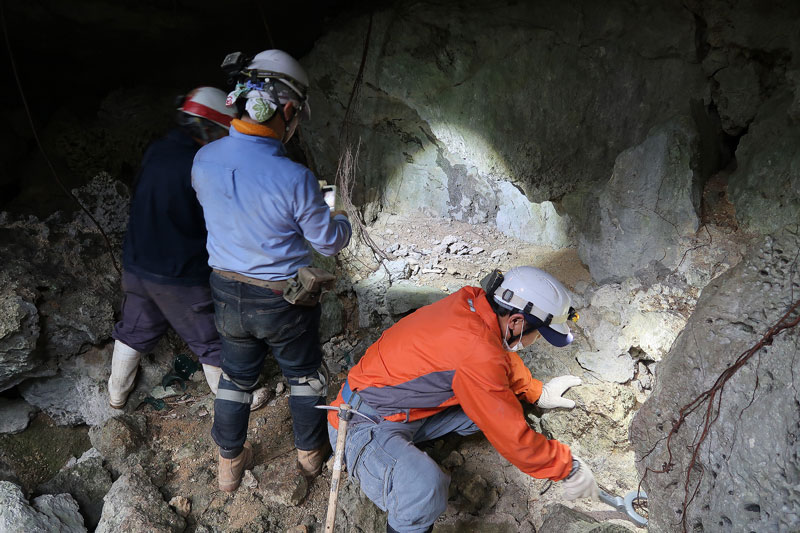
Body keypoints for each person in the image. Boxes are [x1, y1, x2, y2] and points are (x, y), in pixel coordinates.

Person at [327, 266, 599, 533]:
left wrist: (537, 392)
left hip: (404, 407)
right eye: (538, 333)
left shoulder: (474, 303)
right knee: (425, 487)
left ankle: (408, 450)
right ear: (516, 322)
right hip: (360, 421)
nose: (535, 340)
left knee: (484, 411)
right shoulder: (474, 349)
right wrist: (567, 467)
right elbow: (510, 435)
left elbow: (497, 358)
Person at [191, 49, 352, 492]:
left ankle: (228, 465)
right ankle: (309, 455)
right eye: (295, 114)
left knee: (236, 380)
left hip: (225, 293)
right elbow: (328, 241)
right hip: (282, 300)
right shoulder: (296, 178)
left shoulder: (204, 159)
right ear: (286, 110)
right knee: (304, 376)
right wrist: (338, 214)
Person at [109, 86, 265, 409]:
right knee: (210, 338)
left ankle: (116, 397)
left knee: (134, 329)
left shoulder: (157, 149)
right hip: (178, 275)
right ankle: (238, 399)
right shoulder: (203, 164)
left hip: (137, 265)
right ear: (208, 128)